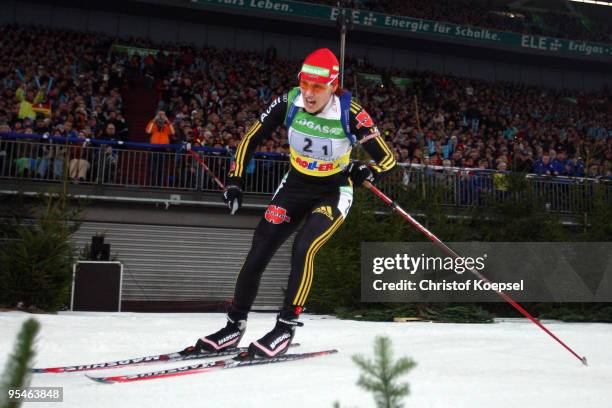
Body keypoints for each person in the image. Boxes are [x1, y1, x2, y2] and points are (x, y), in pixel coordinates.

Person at [192, 49, 396, 359]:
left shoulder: (350, 112)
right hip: (295, 186)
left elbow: (388, 159)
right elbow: (251, 138)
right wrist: (235, 179)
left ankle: (285, 327)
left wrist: (367, 170)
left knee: (304, 246)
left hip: (333, 190)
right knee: (259, 248)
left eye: (318, 87)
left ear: (333, 86)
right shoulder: (288, 102)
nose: (310, 94)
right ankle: (234, 326)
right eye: (305, 84)